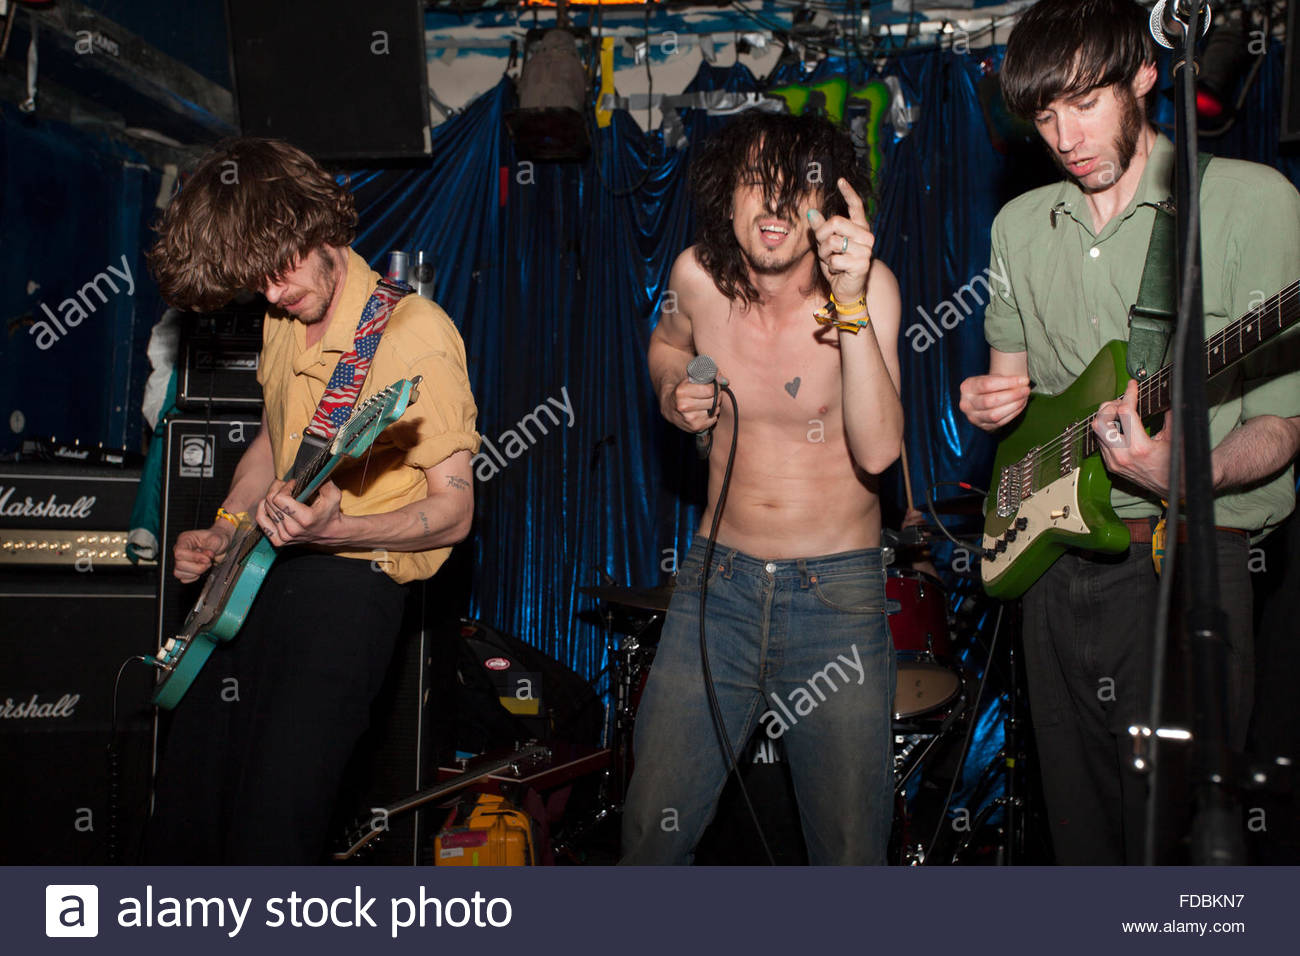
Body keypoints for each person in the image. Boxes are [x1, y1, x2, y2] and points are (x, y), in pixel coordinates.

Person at [959, 0, 1300, 864]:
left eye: (1085, 100)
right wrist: (988, 403)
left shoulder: (1250, 202)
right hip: (1053, 561)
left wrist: (1181, 470)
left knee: (1181, 839)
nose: (1065, 135)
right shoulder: (1016, 228)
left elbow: (1283, 426)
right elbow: (1014, 389)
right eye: (1044, 114)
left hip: (1188, 554)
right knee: (1081, 839)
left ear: (1145, 76)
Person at [143, 138, 479, 863]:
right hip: (253, 579)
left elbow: (454, 511)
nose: (271, 292)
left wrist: (336, 528)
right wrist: (226, 527)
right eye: (254, 280)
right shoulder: (282, 317)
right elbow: (274, 443)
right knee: (186, 815)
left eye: (280, 268)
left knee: (275, 827)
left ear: (318, 226)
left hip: (346, 589)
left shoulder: (412, 335)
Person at [621, 112, 904, 864]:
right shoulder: (694, 278)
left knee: (850, 857)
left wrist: (849, 305)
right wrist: (674, 386)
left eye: (796, 187)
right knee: (652, 835)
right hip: (719, 589)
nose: (774, 207)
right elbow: (666, 342)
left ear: (828, 204)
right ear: (726, 195)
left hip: (835, 597)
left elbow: (879, 453)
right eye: (756, 184)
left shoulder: (869, 290)